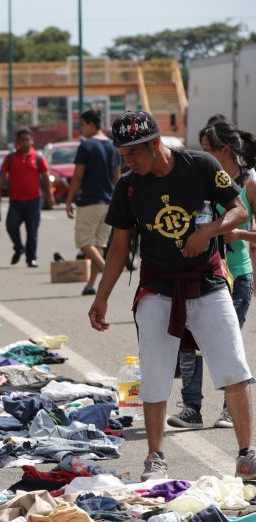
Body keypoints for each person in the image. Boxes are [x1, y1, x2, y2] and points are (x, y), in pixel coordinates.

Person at [88, 111, 256, 481]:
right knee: (155, 373)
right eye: (123, 154)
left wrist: (209, 230)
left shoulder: (199, 165)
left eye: (133, 153)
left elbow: (239, 208)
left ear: (155, 144)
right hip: (158, 287)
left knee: (233, 367)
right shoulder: (129, 186)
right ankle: (156, 456)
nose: (128, 161)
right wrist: (101, 298)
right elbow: (119, 248)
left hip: (208, 282)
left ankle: (247, 454)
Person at [168, 120, 256, 430]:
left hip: (237, 276)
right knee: (190, 341)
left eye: (208, 150)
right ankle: (192, 408)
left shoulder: (250, 183)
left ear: (225, 150)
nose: (202, 156)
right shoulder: (204, 180)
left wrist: (239, 234)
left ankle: (231, 409)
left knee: (225, 345)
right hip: (203, 273)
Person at [64, 109, 122, 295]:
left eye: (82, 125)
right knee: (99, 245)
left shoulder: (86, 145)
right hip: (109, 202)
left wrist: (68, 200)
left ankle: (107, 273)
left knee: (83, 242)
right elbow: (118, 176)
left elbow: (78, 176)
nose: (81, 129)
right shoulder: (113, 146)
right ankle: (90, 285)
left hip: (90, 201)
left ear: (90, 124)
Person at [0, 127, 55, 267]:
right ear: (17, 142)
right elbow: (2, 175)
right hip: (15, 200)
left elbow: (46, 177)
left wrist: (49, 195)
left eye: (27, 140)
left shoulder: (38, 158)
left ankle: (31, 258)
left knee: (32, 231)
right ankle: (19, 247)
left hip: (34, 200)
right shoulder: (10, 158)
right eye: (22, 140)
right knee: (11, 226)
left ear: (32, 141)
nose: (24, 142)